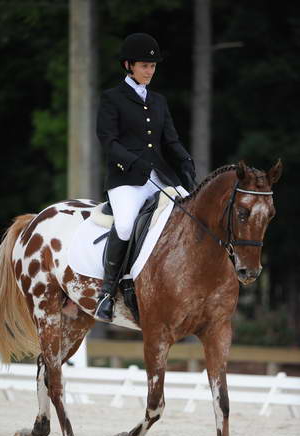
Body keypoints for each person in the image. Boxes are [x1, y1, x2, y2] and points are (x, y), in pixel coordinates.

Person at [95, 32, 196, 322]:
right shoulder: (112, 98)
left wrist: (186, 162)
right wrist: (133, 162)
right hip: (126, 179)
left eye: (153, 67)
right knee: (126, 224)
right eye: (144, 66)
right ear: (129, 65)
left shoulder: (159, 101)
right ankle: (107, 291)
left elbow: (171, 141)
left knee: (190, 217)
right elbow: (108, 141)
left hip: (159, 177)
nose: (150, 71)